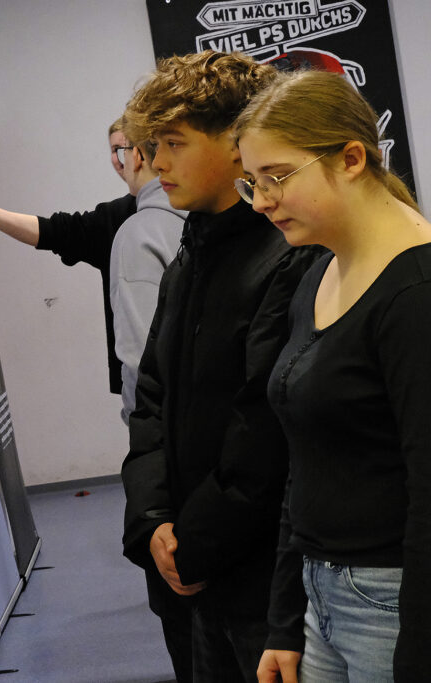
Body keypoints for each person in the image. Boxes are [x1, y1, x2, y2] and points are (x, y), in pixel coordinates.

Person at [120, 50, 324, 682]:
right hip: (190, 570)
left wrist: (196, 543)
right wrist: (152, 519)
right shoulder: (189, 257)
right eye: (152, 146)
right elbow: (151, 396)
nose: (155, 163)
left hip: (265, 580)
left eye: (173, 143)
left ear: (238, 146)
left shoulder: (289, 256)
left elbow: (264, 427)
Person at [234, 70, 430, 683]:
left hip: (394, 602)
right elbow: (306, 460)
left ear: (351, 159)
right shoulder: (318, 273)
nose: (261, 201)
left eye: (276, 177)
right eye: (251, 182)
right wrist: (286, 619)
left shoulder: (416, 293)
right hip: (321, 593)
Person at [0, 117, 138, 396]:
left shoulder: (183, 213)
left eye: (124, 149)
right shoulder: (113, 219)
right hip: (138, 382)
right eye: (114, 150)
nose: (119, 160)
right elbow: (52, 232)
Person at [109, 135, 186, 424]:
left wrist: (139, 426)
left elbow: (140, 360)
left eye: (121, 152)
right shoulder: (207, 217)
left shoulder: (139, 234)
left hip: (170, 428)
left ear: (138, 155)